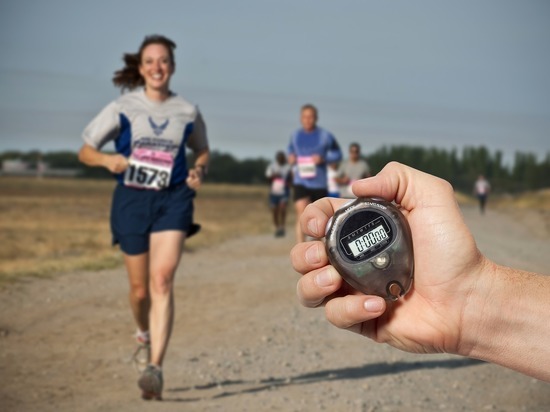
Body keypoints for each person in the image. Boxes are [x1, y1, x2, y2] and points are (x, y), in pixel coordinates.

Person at [291, 162, 550, 382]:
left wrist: (469, 302)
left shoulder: (378, 218)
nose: (380, 259)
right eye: (361, 245)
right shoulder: (380, 218)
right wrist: (470, 312)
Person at [78, 34, 210, 400]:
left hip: (174, 198)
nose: (157, 67)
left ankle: (155, 368)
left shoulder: (187, 110)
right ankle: (143, 334)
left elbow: (202, 149)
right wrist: (107, 160)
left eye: (164, 60)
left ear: (173, 66)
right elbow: (85, 151)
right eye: (150, 61)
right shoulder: (123, 107)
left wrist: (199, 170)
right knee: (139, 291)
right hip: (132, 200)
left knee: (162, 279)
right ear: (140, 67)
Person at [287, 104, 342, 243]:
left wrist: (323, 159)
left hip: (318, 182)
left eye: (310, 117)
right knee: (301, 212)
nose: (307, 120)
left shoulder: (325, 136)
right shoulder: (295, 136)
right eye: (305, 117)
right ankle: (301, 247)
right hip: (301, 181)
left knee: (317, 217)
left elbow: (338, 154)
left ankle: (316, 246)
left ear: (316, 118)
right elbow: (290, 151)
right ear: (301, 118)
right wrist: (291, 157)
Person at [265, 151, 292, 237]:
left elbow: (291, 178)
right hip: (274, 192)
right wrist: (274, 176)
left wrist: (288, 183)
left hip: (284, 192)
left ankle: (282, 226)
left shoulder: (288, 167)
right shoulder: (272, 166)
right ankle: (277, 227)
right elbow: (268, 178)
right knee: (274, 210)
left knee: (282, 208)